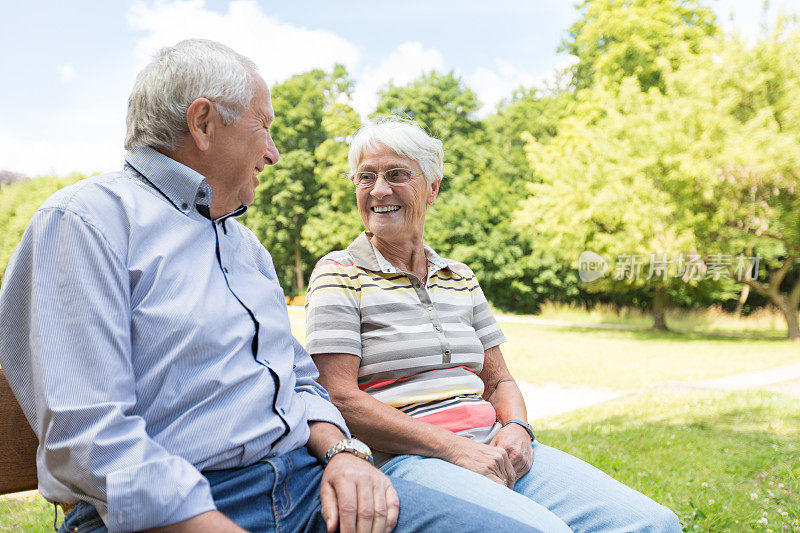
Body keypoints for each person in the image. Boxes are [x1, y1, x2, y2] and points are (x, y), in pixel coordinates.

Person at [0, 41, 539, 533]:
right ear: (204, 123)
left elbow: (301, 382)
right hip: (177, 513)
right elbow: (89, 436)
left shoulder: (244, 246)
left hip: (304, 491)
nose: (274, 152)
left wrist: (343, 454)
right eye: (264, 126)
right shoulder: (85, 221)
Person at [304, 116, 683, 532]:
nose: (379, 190)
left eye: (396, 174)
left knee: (652, 522)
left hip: (493, 446)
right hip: (409, 461)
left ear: (432, 188)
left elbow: (499, 381)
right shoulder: (339, 271)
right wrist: (454, 449)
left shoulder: (459, 276)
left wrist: (519, 429)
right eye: (365, 177)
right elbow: (339, 398)